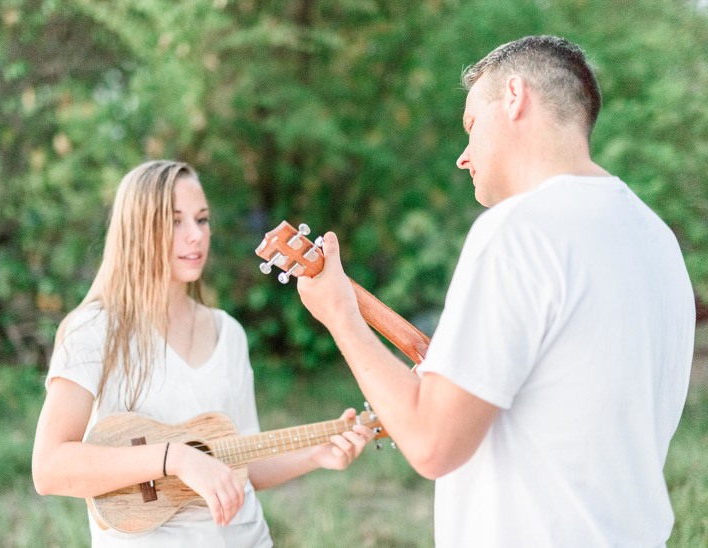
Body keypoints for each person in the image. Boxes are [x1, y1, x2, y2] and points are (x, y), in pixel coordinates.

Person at [296, 35, 696, 546]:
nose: (463, 157)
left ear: (514, 96)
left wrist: (340, 316)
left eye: (471, 125)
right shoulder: (655, 238)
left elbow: (430, 443)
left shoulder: (518, 230)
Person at [31, 160, 375, 547]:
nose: (195, 235)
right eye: (175, 221)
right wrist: (176, 458)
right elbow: (49, 468)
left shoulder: (228, 332)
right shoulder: (95, 329)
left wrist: (315, 454)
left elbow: (237, 459)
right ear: (137, 229)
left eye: (202, 219)